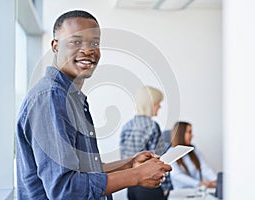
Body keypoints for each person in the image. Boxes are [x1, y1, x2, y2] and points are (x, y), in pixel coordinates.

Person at [16, 10, 172, 200]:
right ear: (55, 46)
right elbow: (65, 190)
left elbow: (83, 172)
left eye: (94, 43)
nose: (88, 50)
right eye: (76, 41)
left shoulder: (71, 98)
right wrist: (136, 175)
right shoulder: (50, 97)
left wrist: (129, 164)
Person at [120, 86, 173, 200]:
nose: (160, 106)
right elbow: (160, 159)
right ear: (151, 104)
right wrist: (166, 186)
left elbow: (123, 159)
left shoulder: (127, 126)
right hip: (150, 185)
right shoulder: (153, 126)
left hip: (131, 186)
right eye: (158, 103)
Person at [169, 121, 217, 189]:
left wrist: (216, 180)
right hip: (180, 193)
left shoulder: (194, 151)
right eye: (189, 132)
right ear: (181, 134)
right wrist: (199, 183)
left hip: (197, 191)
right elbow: (177, 175)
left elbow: (205, 168)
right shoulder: (171, 153)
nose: (192, 135)